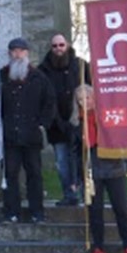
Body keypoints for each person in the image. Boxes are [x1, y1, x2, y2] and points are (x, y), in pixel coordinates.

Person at [76, 84, 127, 253]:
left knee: (121, 209)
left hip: (113, 166)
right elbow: (75, 151)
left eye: (87, 98)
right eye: (80, 100)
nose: (84, 102)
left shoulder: (106, 116)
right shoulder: (78, 121)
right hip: (92, 169)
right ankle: (98, 248)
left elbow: (119, 137)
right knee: (95, 211)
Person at [0, 37, 56, 223]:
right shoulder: (1, 77)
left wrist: (42, 124)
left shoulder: (39, 77)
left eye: (21, 51)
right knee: (10, 175)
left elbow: (49, 102)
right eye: (14, 51)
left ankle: (36, 212)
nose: (18, 54)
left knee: (34, 175)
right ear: (9, 53)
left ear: (27, 53)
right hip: (9, 136)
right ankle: (11, 212)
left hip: (31, 136)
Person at [39, 33, 90, 206]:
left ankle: (86, 195)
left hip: (81, 124)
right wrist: (57, 122)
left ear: (67, 45)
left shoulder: (81, 66)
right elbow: (44, 99)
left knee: (82, 161)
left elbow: (90, 92)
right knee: (62, 163)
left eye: (61, 45)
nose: (58, 49)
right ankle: (70, 195)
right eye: (55, 46)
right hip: (57, 126)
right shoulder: (43, 70)